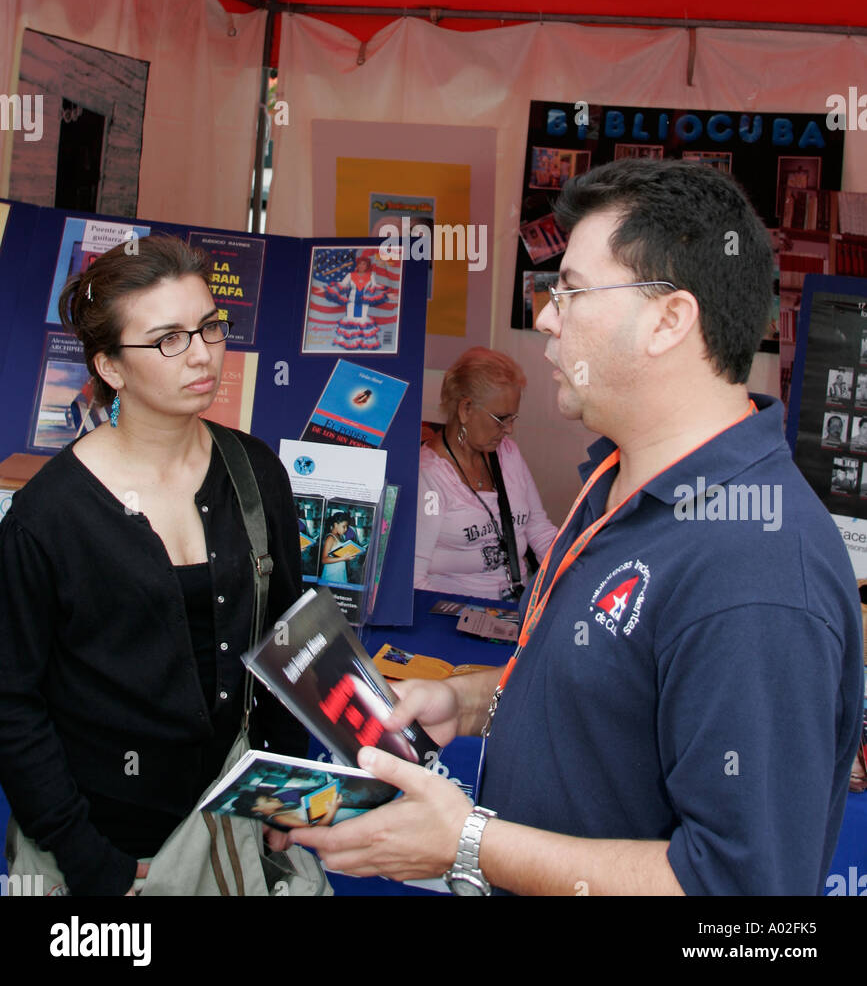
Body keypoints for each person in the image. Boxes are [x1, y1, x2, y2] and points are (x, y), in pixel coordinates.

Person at [287, 159, 864, 896]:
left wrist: (469, 844)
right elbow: (610, 695)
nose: (547, 315)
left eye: (571, 291)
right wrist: (467, 701)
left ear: (668, 321)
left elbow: (745, 898)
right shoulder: (619, 480)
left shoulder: (756, 569)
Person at [0, 235, 308, 896]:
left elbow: (287, 637)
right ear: (110, 366)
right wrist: (87, 857)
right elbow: (11, 700)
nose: (201, 354)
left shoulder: (254, 472)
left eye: (208, 327)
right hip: (105, 838)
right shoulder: (48, 515)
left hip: (234, 823)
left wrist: (286, 793)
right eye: (168, 338)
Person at [414, 347, 557, 600]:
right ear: (465, 409)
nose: (509, 429)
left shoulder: (509, 455)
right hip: (456, 617)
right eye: (501, 418)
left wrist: (572, 573)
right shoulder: (429, 474)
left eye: (513, 417)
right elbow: (414, 578)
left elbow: (538, 529)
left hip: (516, 606)